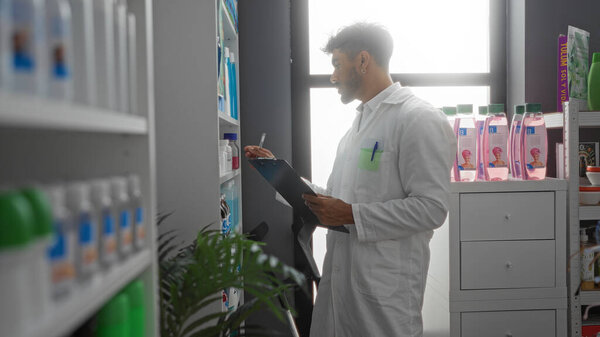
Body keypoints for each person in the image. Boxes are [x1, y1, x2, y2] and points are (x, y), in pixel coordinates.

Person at [245, 23, 456, 337]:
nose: (332, 76)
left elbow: (431, 208)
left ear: (363, 61)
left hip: (383, 297)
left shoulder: (418, 118)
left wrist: (351, 215)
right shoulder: (356, 129)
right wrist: (278, 175)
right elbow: (335, 199)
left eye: (336, 65)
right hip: (340, 291)